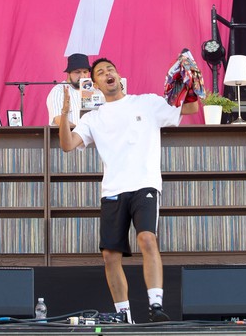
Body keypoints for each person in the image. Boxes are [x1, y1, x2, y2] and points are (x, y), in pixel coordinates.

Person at [58, 57, 200, 323]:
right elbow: (67, 145)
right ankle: (124, 315)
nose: (107, 73)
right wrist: (65, 115)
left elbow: (190, 108)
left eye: (110, 69)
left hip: (145, 184)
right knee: (110, 255)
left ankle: (155, 305)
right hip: (113, 190)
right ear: (95, 83)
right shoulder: (93, 118)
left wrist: (190, 83)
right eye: (100, 72)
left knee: (147, 238)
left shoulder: (146, 103)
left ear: (119, 76)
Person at [46, 53, 91, 126]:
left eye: (85, 72)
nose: (82, 76)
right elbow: (59, 119)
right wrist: (79, 133)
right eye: (77, 72)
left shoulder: (91, 90)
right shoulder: (59, 90)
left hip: (89, 136)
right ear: (68, 73)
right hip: (67, 136)